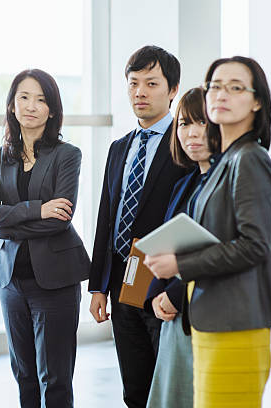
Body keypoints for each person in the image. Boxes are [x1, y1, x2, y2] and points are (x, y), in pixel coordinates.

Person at [145, 56, 271, 408]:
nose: (222, 94)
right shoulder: (228, 160)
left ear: (257, 102)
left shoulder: (250, 158)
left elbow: (255, 245)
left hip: (235, 322)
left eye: (235, 88)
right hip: (211, 319)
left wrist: (180, 265)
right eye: (215, 87)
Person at [0, 69, 90, 408]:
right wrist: (37, 209)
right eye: (24, 97)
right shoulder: (2, 156)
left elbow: (60, 221)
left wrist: (9, 221)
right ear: (12, 105)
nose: (31, 106)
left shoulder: (67, 155)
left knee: (54, 378)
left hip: (54, 281)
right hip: (11, 280)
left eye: (41, 100)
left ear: (52, 109)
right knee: (23, 373)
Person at [87, 45, 186, 408]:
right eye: (133, 83)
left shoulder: (185, 145)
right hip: (122, 280)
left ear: (172, 89)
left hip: (162, 283)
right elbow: (106, 217)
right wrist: (98, 285)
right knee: (134, 390)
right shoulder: (119, 147)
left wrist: (177, 289)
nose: (140, 92)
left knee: (168, 390)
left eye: (151, 83)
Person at [144, 87, 221, 408]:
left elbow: (216, 252)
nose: (191, 133)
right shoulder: (184, 183)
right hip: (173, 312)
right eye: (184, 124)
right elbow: (169, 245)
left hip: (204, 308)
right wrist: (156, 295)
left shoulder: (224, 180)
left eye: (201, 123)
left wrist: (174, 295)